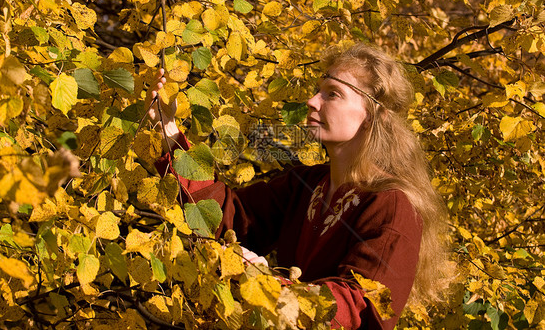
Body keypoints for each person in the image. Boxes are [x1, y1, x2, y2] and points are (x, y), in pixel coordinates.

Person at [147, 42, 450, 329]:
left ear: (372, 115)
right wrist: (169, 133)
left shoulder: (391, 205)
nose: (312, 101)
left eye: (333, 94)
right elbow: (229, 218)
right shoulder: (306, 183)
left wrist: (271, 284)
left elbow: (362, 306)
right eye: (319, 90)